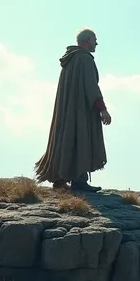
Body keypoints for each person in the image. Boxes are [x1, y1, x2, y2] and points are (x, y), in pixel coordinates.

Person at [34, 28, 112, 193]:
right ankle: (79, 182)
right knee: (81, 140)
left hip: (67, 111)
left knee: (67, 140)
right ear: (88, 40)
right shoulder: (84, 59)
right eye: (95, 39)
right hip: (81, 111)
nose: (97, 43)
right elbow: (91, 87)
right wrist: (103, 109)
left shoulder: (70, 60)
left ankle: (60, 179)